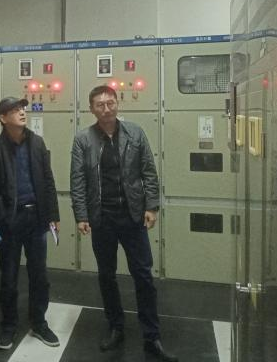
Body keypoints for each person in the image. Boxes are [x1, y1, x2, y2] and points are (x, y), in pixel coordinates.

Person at [70, 85, 177, 362]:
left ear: (117, 103)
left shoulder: (135, 133)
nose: (106, 109)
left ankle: (152, 336)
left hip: (132, 216)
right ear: (91, 109)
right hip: (101, 218)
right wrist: (81, 215)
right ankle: (116, 326)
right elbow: (77, 180)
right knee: (106, 275)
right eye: (100, 105)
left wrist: (151, 206)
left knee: (143, 275)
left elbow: (148, 171)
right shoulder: (83, 139)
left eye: (110, 103)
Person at [0, 96, 61, 351]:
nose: (22, 112)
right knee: (9, 277)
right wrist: (4, 218)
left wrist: (53, 215)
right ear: (3, 118)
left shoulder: (37, 143)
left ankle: (39, 322)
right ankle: (8, 325)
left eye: (22, 108)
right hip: (10, 222)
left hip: (37, 219)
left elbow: (48, 180)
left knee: (40, 275)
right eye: (14, 110)